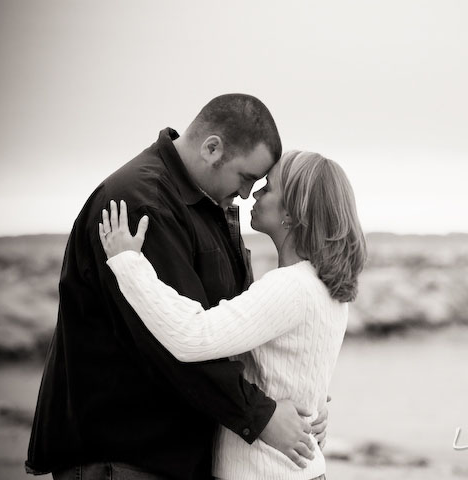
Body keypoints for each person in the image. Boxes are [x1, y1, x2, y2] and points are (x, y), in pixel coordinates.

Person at [27, 95, 326, 480]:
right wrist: (261, 416)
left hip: (170, 453)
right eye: (247, 178)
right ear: (212, 148)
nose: (249, 194)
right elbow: (174, 339)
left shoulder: (203, 204)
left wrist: (304, 403)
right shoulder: (141, 204)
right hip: (124, 456)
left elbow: (231, 330)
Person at [97, 150, 367, 480]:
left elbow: (192, 337)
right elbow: (301, 376)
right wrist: (316, 410)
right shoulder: (327, 288)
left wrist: (128, 264)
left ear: (293, 213)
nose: (254, 192)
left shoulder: (291, 287)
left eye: (268, 187)